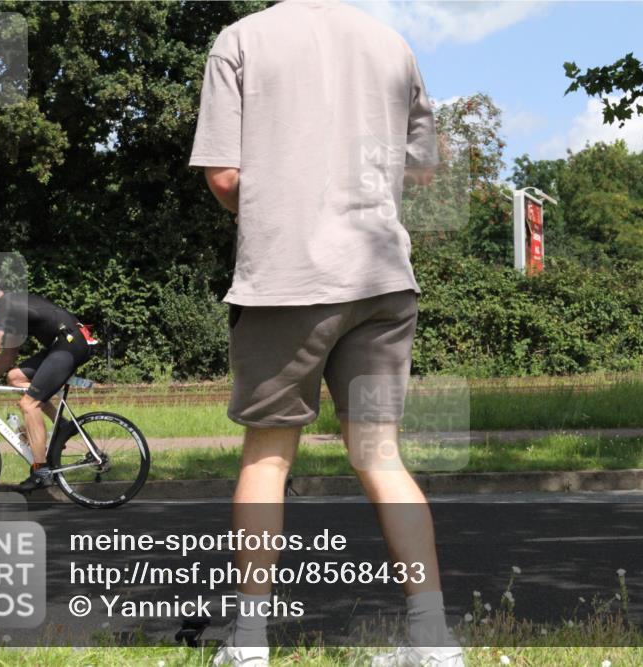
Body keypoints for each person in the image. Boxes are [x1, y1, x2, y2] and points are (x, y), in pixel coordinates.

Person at [189, 1, 460, 665]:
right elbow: (426, 169)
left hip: (289, 281)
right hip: (382, 280)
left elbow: (224, 174)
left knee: (268, 457)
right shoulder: (392, 44)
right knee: (380, 455)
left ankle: (248, 644)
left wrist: (274, 208)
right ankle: (432, 641)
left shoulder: (242, 39)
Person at [0, 271, 96, 492]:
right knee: (15, 377)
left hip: (70, 344)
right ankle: (62, 426)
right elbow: (8, 356)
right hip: (63, 344)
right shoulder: (11, 308)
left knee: (28, 404)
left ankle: (41, 471)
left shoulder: (1, 308)